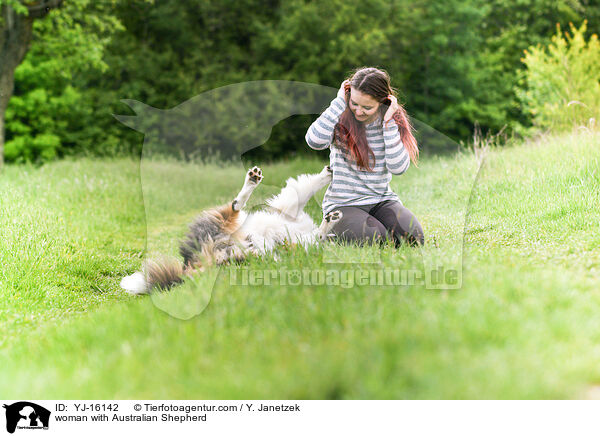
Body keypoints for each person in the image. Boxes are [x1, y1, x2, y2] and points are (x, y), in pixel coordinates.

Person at [305, 67, 424, 246]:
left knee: (413, 238)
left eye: (367, 107)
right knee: (377, 239)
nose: (358, 111)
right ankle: (331, 235)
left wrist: (389, 124)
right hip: (344, 205)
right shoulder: (339, 117)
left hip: (382, 200)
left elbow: (398, 168)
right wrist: (339, 103)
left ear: (383, 103)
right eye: (354, 103)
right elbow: (313, 141)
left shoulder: (390, 123)